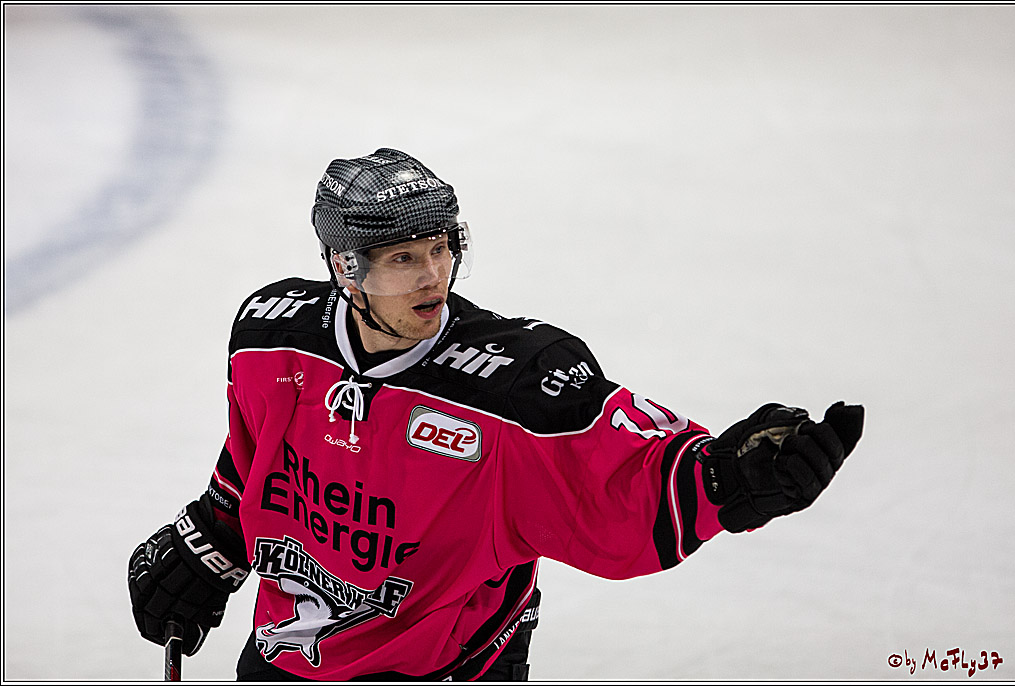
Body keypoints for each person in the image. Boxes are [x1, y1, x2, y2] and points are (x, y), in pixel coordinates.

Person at [128, 148, 864, 681]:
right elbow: (256, 461)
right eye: (403, 259)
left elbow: (624, 475)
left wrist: (729, 480)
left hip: (453, 667)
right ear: (346, 269)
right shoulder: (269, 335)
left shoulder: (514, 383)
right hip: (293, 656)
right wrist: (210, 537)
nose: (434, 275)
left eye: (441, 249)